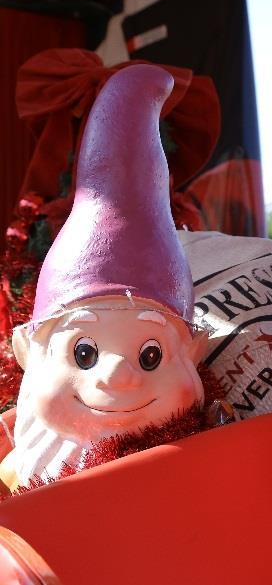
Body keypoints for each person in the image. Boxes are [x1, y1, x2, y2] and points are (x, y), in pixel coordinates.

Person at [0, 65, 210, 493]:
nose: (117, 376)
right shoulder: (19, 466)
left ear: (193, 352)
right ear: (28, 349)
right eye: (83, 353)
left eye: (150, 356)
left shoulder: (207, 452)